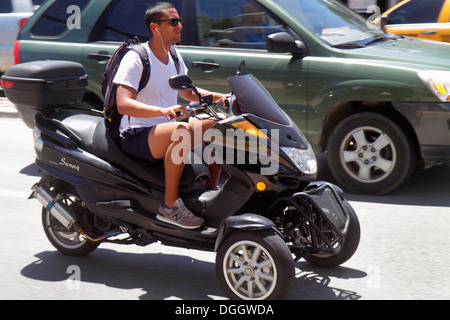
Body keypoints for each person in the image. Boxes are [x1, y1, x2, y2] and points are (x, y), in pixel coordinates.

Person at [113, 2, 226, 229]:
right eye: (173, 22)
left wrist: (224, 97)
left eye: (179, 21)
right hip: (137, 133)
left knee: (221, 125)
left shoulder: (173, 55)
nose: (180, 26)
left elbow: (186, 92)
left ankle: (210, 189)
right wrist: (163, 112)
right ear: (155, 27)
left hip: (164, 128)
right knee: (181, 130)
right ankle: (169, 206)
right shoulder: (136, 57)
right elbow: (123, 104)